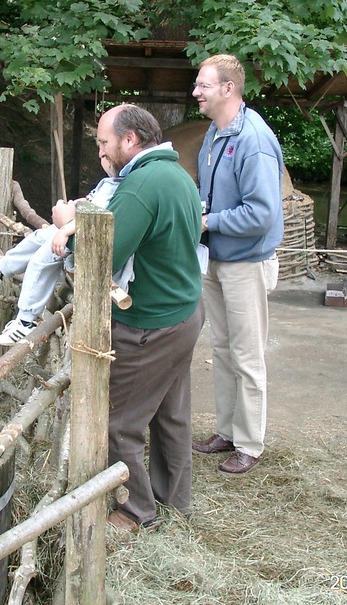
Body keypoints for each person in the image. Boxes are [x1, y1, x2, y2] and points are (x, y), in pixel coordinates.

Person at [97, 103, 206, 532]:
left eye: (104, 143)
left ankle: (136, 511)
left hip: (151, 324)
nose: (101, 153)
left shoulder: (141, 185)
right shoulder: (176, 174)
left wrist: (68, 225)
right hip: (183, 313)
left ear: (129, 139)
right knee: (170, 416)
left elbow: (100, 255)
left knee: (117, 422)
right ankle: (174, 503)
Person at [190, 54, 284, 476]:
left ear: (229, 88)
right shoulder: (215, 133)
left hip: (246, 263)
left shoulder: (254, 140)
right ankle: (227, 432)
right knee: (223, 349)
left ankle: (249, 444)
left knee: (247, 355)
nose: (196, 92)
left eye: (204, 85)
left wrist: (208, 221)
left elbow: (261, 214)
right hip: (217, 259)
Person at [0, 157, 133, 346]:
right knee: (40, 236)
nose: (101, 154)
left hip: (88, 247)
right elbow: (89, 205)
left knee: (42, 258)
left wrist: (65, 228)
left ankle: (26, 320)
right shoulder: (112, 182)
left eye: (104, 146)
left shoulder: (125, 187)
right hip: (78, 233)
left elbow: (97, 217)